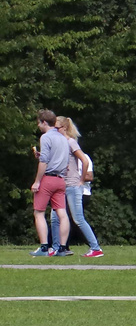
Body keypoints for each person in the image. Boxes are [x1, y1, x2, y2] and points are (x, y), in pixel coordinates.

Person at [55, 117, 103, 257]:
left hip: (73, 186)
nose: (55, 131)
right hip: (64, 185)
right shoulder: (62, 143)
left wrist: (81, 181)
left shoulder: (70, 142)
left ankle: (95, 248)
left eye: (57, 128)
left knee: (78, 219)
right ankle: (60, 248)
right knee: (57, 217)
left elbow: (84, 160)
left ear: (64, 128)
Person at [28, 109, 71, 256]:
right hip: (61, 180)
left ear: (44, 122)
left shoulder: (46, 137)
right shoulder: (63, 139)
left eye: (39, 123)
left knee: (39, 212)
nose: (39, 126)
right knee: (62, 213)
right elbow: (62, 160)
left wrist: (37, 182)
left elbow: (44, 161)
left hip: (48, 179)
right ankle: (63, 248)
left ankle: (44, 247)